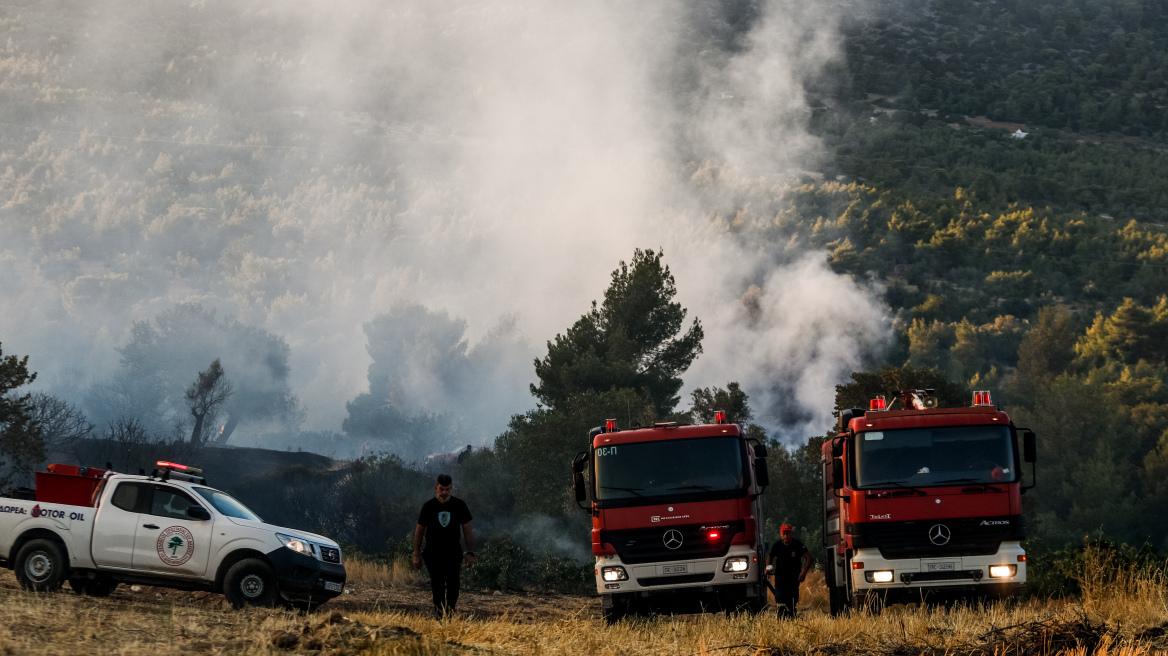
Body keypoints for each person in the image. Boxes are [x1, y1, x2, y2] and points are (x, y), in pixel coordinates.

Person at [413, 473, 475, 616]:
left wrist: (470, 552)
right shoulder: (428, 507)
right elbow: (419, 531)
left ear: (451, 488)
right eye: (441, 489)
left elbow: (467, 530)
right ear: (436, 488)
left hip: (453, 552)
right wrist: (416, 554)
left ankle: (451, 611)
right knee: (438, 584)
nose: (444, 492)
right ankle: (440, 615)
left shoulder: (460, 505)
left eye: (447, 489)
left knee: (454, 585)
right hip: (433, 553)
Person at [767, 523, 812, 619]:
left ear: (792, 534)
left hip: (793, 577)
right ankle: (781, 617)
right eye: (784, 533)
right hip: (780, 576)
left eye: (788, 533)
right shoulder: (777, 545)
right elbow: (770, 556)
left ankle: (791, 614)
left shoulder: (798, 545)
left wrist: (803, 572)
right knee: (780, 597)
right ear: (781, 534)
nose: (786, 536)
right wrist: (767, 567)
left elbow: (808, 557)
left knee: (792, 599)